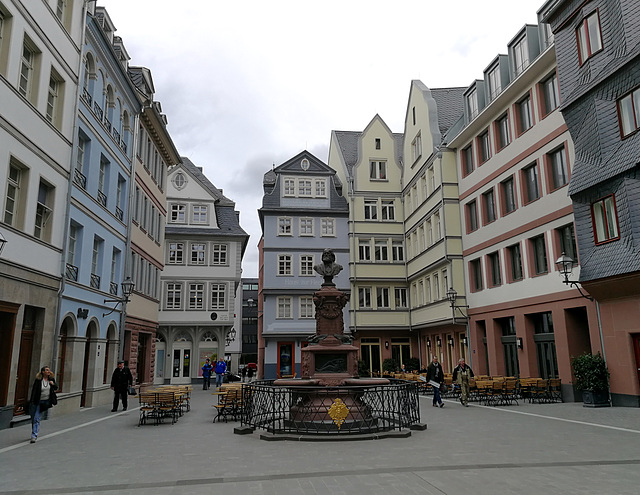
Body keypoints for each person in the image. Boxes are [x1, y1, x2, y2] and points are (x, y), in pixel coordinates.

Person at [29, 366, 58, 443]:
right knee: (34, 418)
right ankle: (34, 432)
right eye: (47, 370)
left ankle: (34, 435)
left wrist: (52, 384)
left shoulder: (51, 379)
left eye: (49, 370)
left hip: (45, 402)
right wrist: (32, 401)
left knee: (37, 418)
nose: (48, 371)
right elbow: (34, 391)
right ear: (43, 372)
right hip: (37, 401)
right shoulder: (38, 380)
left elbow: (56, 388)